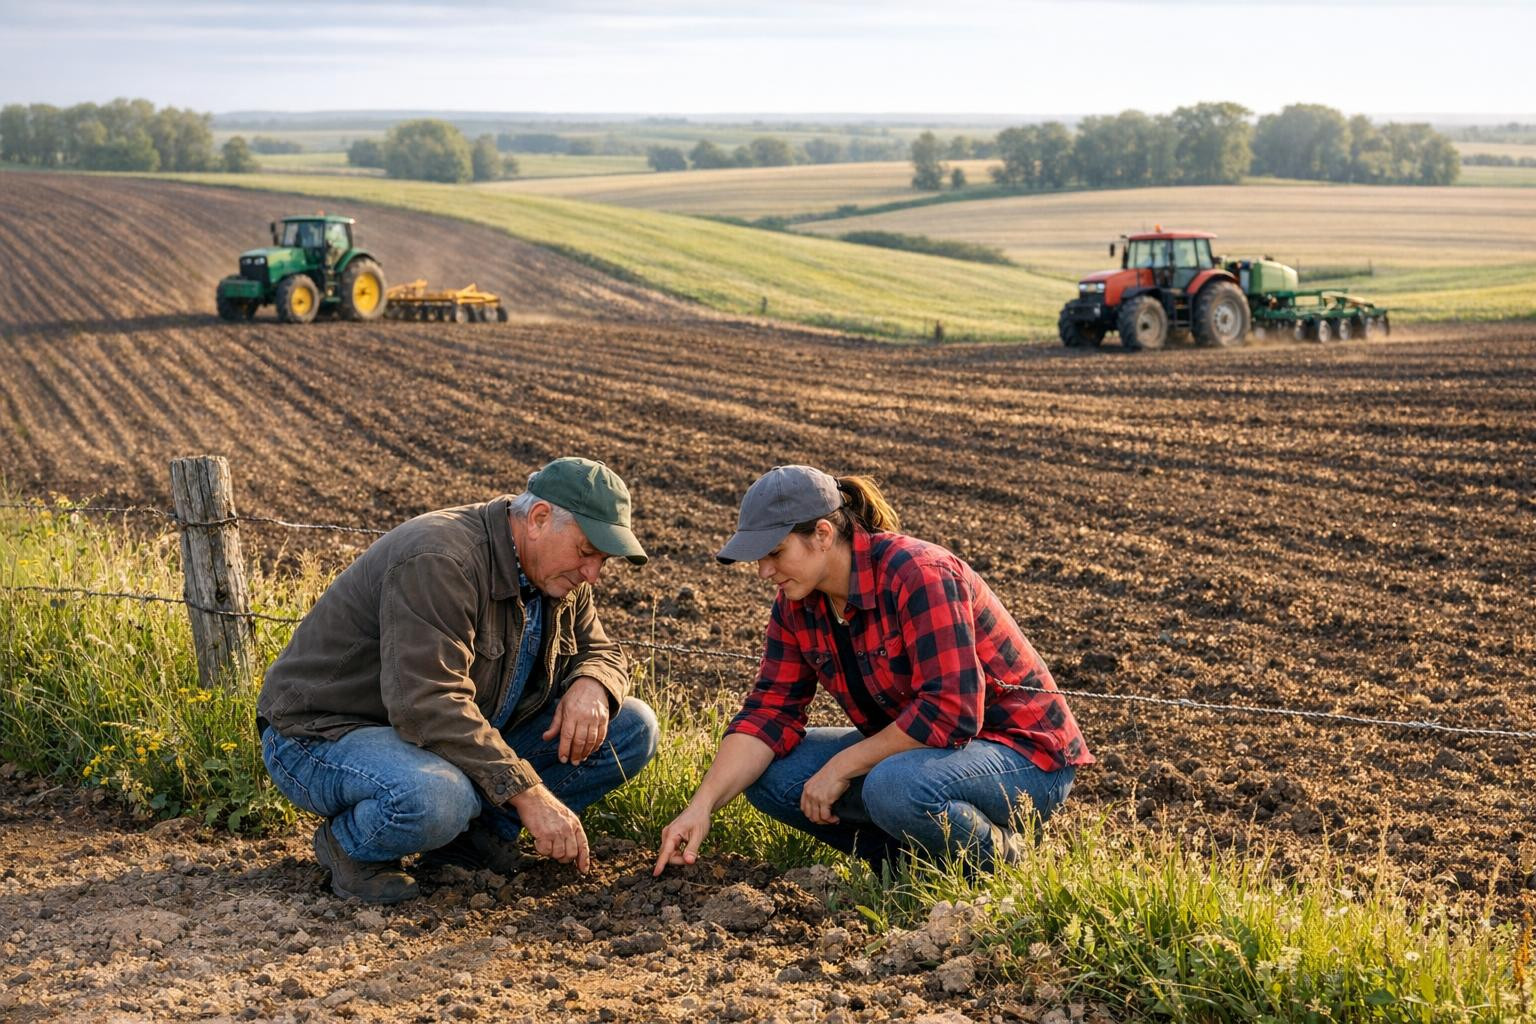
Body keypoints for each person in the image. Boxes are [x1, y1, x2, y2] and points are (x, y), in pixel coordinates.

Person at [655, 466, 1091, 878]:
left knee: (892, 785)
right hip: (926, 756)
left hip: (1023, 758)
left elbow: (951, 711)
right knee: (770, 775)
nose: (765, 571)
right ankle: (912, 870)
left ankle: (1005, 866)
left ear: (822, 534)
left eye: (775, 553)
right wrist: (702, 807)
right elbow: (769, 711)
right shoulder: (797, 605)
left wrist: (842, 765)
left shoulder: (918, 572)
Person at [258, 457, 659, 904]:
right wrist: (528, 793)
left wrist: (593, 685)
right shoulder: (441, 559)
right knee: (437, 797)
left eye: (602, 560)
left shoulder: (558, 576)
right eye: (587, 552)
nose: (592, 574)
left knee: (631, 726)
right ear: (540, 518)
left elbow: (601, 651)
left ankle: (467, 847)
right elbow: (427, 704)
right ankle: (349, 845)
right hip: (323, 735)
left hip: (436, 740)